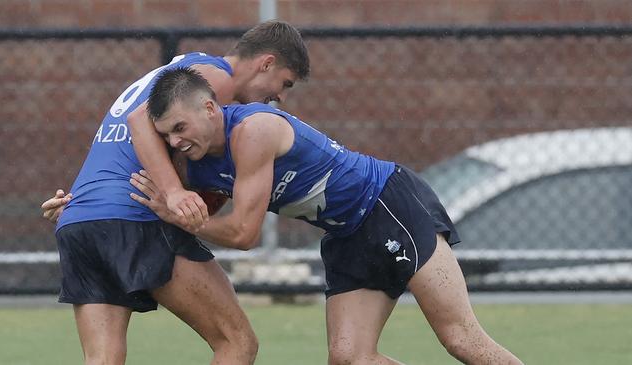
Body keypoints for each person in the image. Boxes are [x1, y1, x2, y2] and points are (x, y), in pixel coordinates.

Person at [126, 67, 524, 365]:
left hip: (389, 204)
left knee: (461, 339)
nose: (175, 141)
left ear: (211, 109)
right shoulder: (194, 165)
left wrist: (183, 216)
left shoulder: (252, 130)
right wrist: (77, 202)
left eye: (180, 127)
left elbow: (245, 234)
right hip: (345, 234)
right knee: (349, 359)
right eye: (166, 135)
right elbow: (144, 179)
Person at [44, 21, 310, 365]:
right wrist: (173, 192)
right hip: (134, 215)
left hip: (79, 217)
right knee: (237, 343)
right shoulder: (217, 79)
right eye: (285, 83)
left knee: (102, 358)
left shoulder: (184, 69)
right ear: (266, 63)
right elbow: (140, 119)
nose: (281, 97)